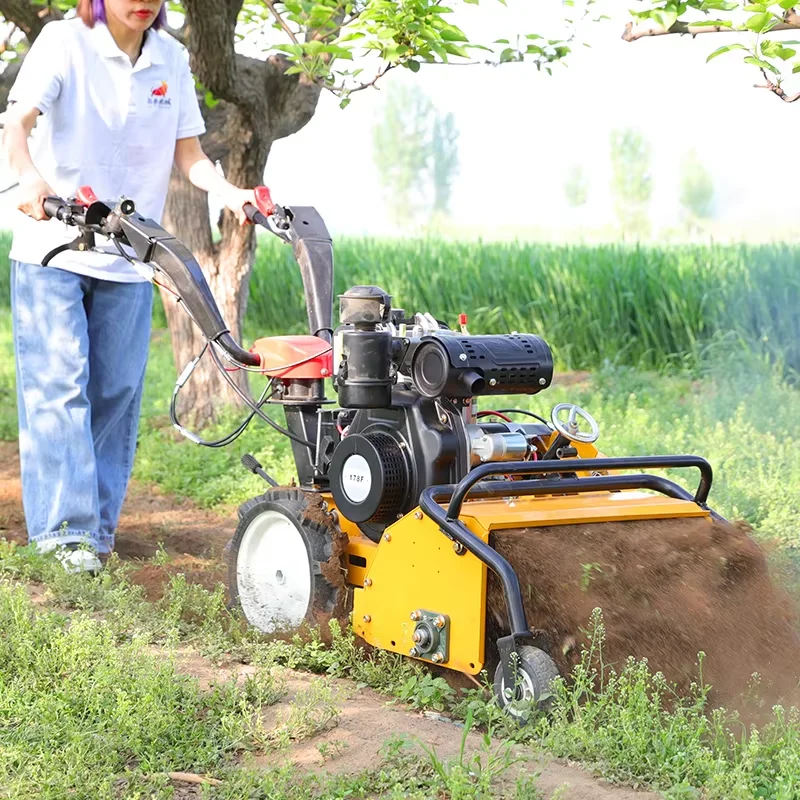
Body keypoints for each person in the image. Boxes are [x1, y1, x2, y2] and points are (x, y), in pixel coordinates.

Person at [2, 0, 256, 573]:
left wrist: (228, 190)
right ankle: (63, 537)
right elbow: (16, 123)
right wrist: (29, 177)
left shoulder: (172, 58)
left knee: (115, 394)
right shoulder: (63, 42)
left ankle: (94, 532)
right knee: (61, 386)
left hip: (128, 254)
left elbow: (189, 156)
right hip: (53, 247)